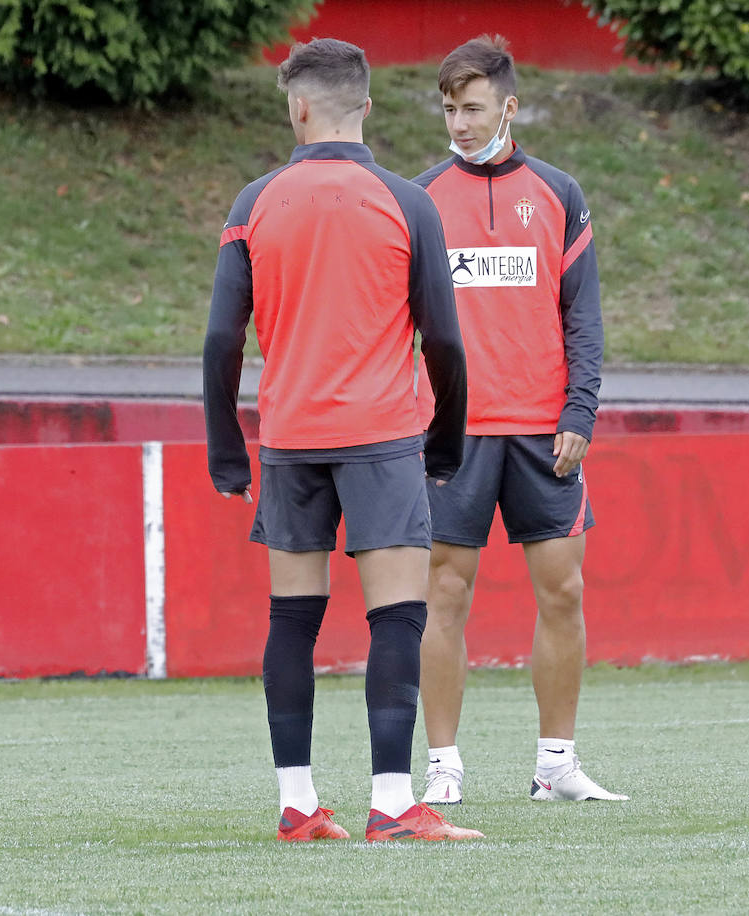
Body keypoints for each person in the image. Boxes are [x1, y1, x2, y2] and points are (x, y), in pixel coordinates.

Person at [204, 38, 482, 843]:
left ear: (297, 107)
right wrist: (445, 444)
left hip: (289, 440)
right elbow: (448, 344)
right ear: (367, 105)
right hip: (384, 436)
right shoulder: (410, 201)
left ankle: (297, 806)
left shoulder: (253, 203)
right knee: (396, 617)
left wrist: (229, 450)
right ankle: (393, 807)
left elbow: (224, 340)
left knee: (292, 618)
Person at [409, 36, 627, 804]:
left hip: (544, 431)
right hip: (453, 433)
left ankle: (557, 766)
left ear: (508, 107)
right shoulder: (421, 197)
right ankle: (443, 768)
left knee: (563, 592)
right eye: (448, 109)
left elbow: (584, 319)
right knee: (443, 592)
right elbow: (397, 318)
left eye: (472, 109)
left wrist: (580, 409)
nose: (459, 123)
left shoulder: (560, 193)